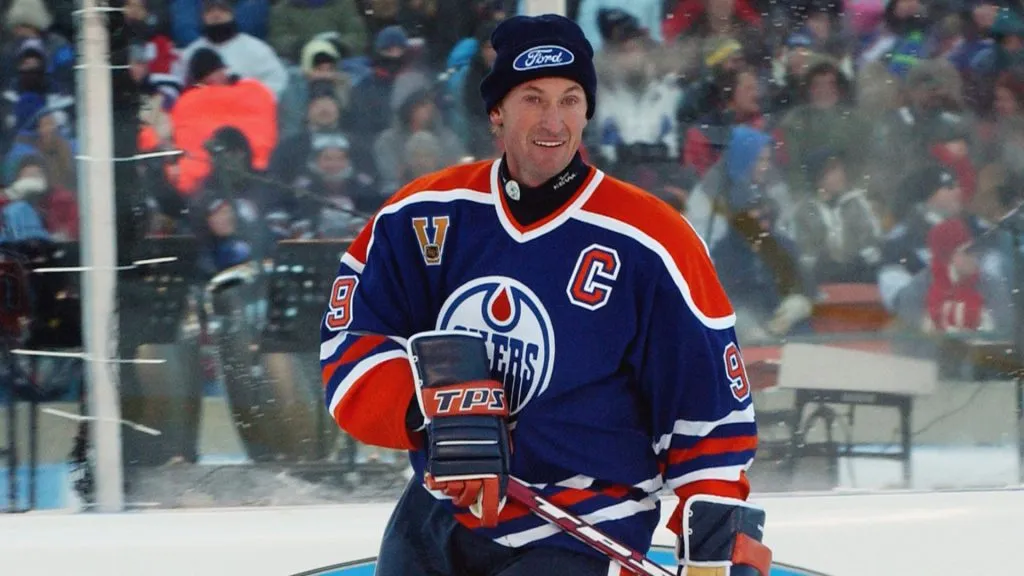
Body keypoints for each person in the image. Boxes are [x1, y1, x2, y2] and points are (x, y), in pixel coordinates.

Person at [319, 13, 770, 576]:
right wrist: (424, 412)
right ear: (496, 112)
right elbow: (352, 338)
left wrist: (713, 535)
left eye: (570, 98)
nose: (553, 120)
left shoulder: (653, 241)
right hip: (442, 511)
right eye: (532, 98)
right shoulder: (422, 215)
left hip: (585, 524)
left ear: (587, 111)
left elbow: (709, 413)